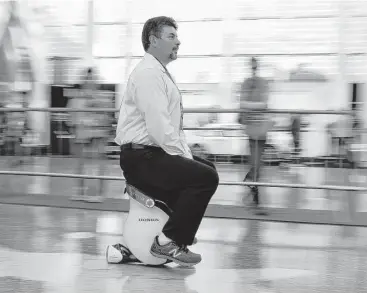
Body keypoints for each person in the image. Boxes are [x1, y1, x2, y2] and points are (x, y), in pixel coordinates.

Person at [114, 16, 219, 266]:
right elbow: (159, 126)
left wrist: (186, 155)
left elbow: (166, 126)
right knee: (205, 177)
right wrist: (183, 155)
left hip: (150, 153)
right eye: (171, 36)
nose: (178, 42)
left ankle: (178, 229)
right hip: (142, 158)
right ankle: (167, 242)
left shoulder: (157, 71)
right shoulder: (149, 73)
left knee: (208, 170)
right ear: (153, 40)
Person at [239, 57, 271, 215]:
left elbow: (264, 104)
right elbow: (243, 104)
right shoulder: (246, 83)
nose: (253, 67)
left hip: (261, 129)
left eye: (255, 65)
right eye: (251, 65)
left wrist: (250, 105)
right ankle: (256, 202)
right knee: (256, 164)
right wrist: (255, 106)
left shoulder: (262, 83)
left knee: (258, 166)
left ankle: (249, 183)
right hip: (252, 129)